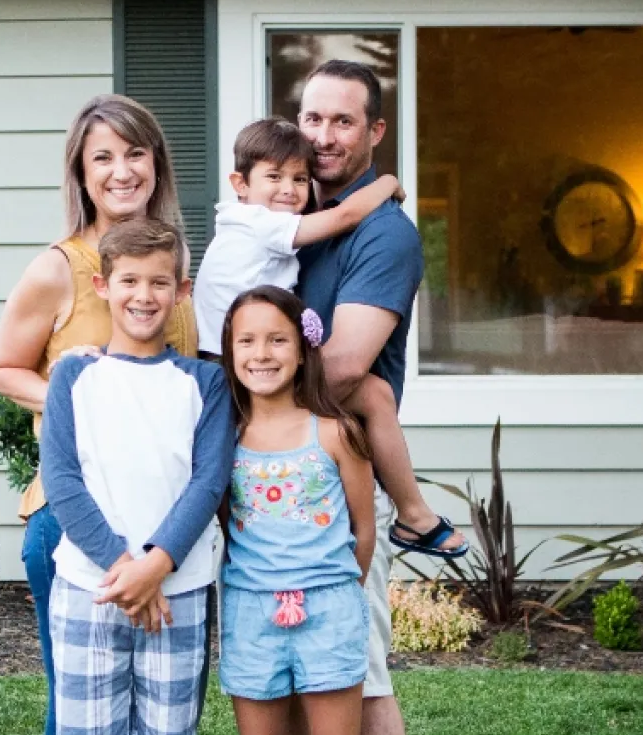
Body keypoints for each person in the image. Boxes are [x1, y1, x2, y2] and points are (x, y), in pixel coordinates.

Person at [0, 95, 199, 735]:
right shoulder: (61, 267)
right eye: (102, 156)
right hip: (71, 522)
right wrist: (74, 395)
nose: (121, 170)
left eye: (135, 153)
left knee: (160, 726)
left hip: (165, 533)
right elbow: (3, 367)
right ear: (81, 170)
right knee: (82, 722)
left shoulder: (173, 265)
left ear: (156, 163)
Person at [193, 117, 464, 559]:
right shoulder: (260, 224)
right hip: (229, 372)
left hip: (238, 364)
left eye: (300, 178)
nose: (288, 189)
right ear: (239, 183)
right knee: (373, 395)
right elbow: (347, 215)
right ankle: (415, 515)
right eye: (274, 177)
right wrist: (389, 183)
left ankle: (414, 515)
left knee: (373, 394)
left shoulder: (250, 224)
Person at [40, 217, 234, 735]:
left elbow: (208, 482)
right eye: (129, 280)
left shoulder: (205, 382)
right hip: (89, 592)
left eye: (159, 282)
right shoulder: (75, 376)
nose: (142, 295)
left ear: (181, 290)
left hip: (176, 593)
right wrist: (127, 571)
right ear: (102, 285)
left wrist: (157, 566)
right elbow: (63, 481)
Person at [281, 60, 424, 735]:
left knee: (360, 679)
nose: (324, 136)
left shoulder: (384, 235)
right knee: (292, 682)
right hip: (267, 481)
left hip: (341, 491)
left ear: (374, 132)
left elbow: (342, 365)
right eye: (312, 119)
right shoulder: (287, 220)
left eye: (343, 122)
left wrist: (239, 392)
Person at [217, 285, 378, 735]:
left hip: (328, 613)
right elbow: (224, 520)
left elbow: (363, 528)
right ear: (230, 350)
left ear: (303, 349)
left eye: (277, 339)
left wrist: (334, 590)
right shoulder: (224, 439)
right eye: (248, 341)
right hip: (251, 615)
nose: (262, 354)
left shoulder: (336, 434)